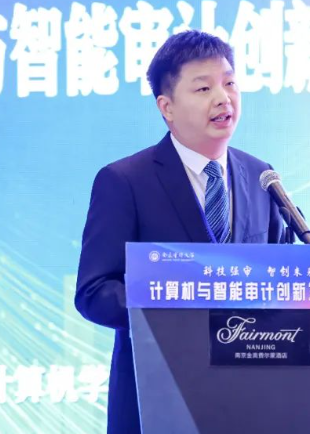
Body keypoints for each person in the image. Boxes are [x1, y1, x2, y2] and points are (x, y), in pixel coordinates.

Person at [75, 30, 285, 434]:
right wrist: (182, 305)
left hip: (250, 402)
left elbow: (283, 276)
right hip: (157, 402)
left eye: (229, 83)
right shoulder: (125, 181)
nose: (223, 98)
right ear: (167, 107)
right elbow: (94, 292)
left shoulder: (262, 176)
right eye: (204, 88)